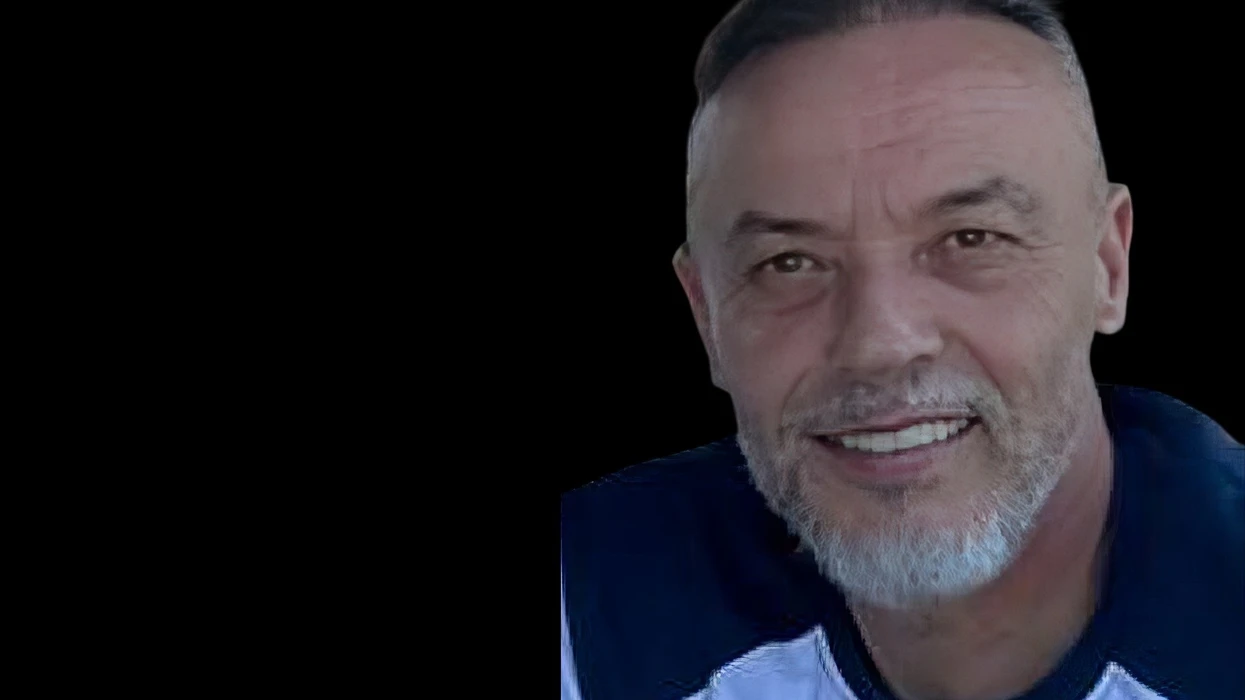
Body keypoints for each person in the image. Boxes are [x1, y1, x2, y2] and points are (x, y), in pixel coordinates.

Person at [559, 1, 1244, 699]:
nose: (879, 343)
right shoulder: (587, 609)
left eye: (971, 239)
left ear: (1108, 267)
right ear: (706, 316)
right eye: (788, 263)